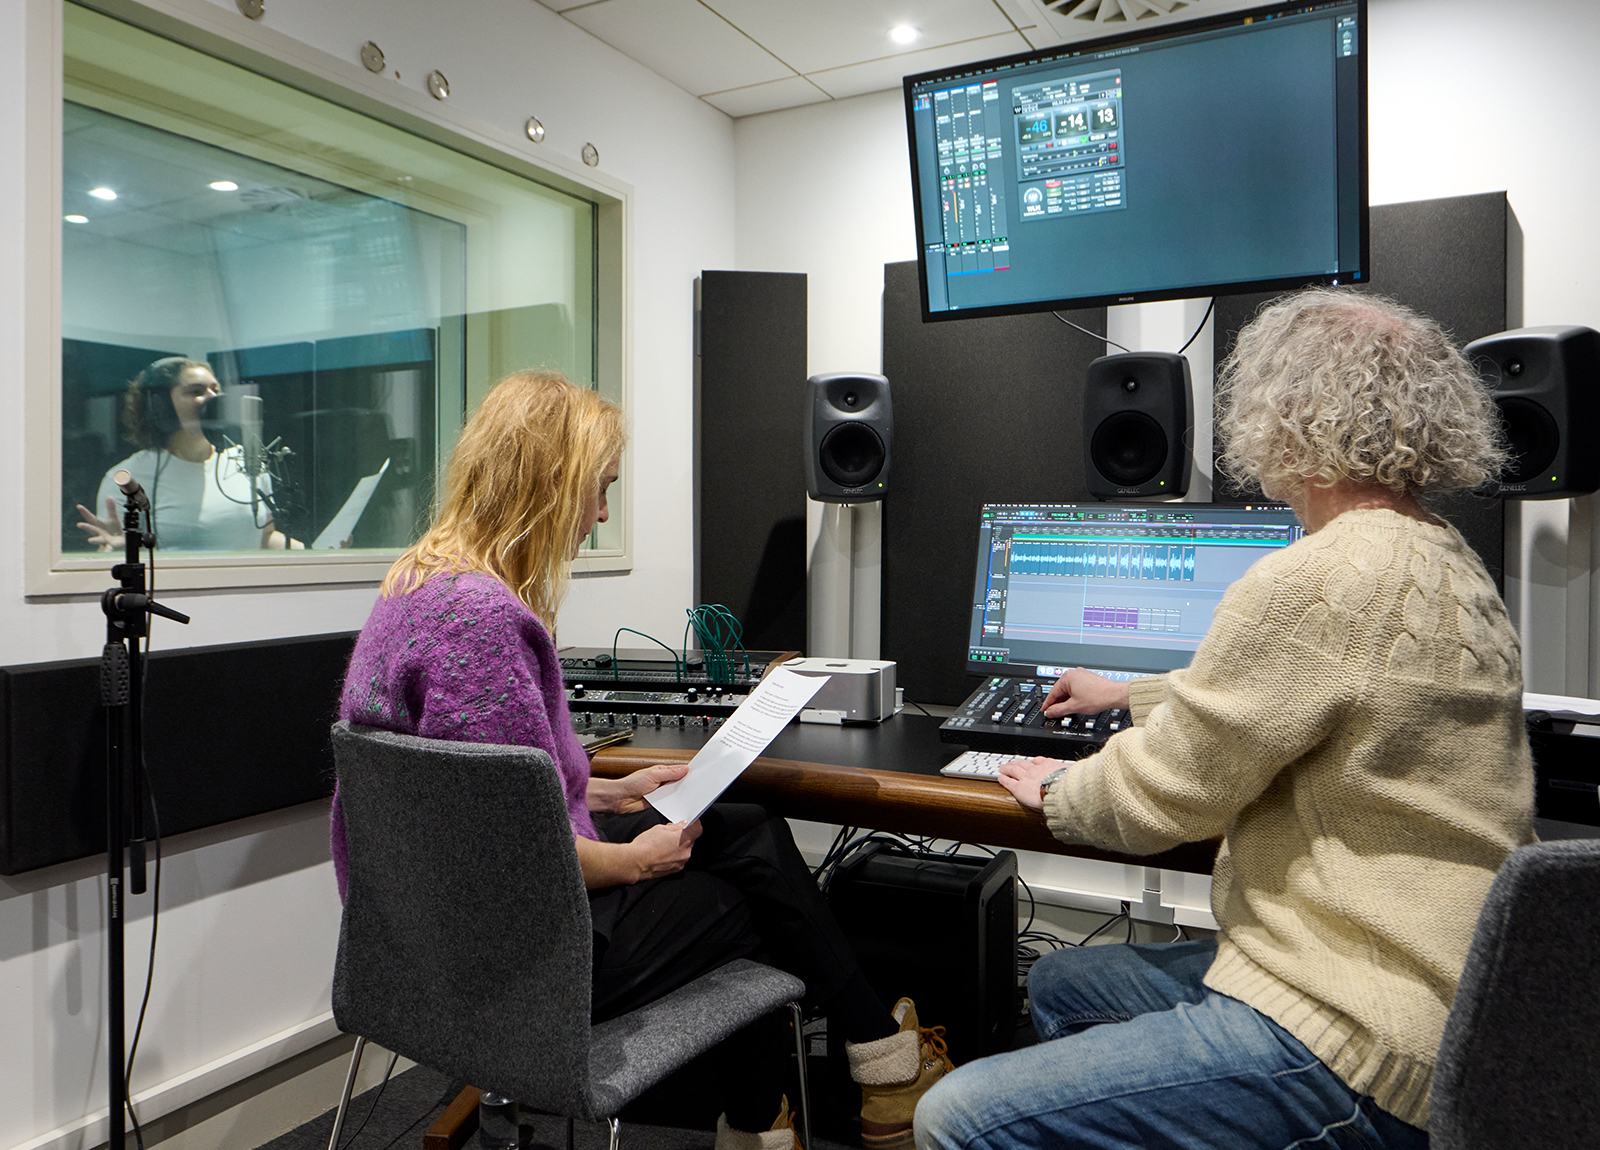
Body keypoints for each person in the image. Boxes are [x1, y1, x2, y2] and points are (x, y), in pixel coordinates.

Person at [914, 289, 1535, 1150]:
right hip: (1458, 1005)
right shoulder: (1445, 563)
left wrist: (1060, 789)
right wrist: (1130, 695)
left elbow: (1164, 797)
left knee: (956, 1116)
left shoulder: (1313, 578)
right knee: (1063, 984)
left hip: (1354, 1028)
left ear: (1283, 418)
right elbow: (1320, 692)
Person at [333, 369, 951, 1150]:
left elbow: (480, 803)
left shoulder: (414, 586)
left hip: (422, 937)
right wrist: (635, 864)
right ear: (550, 484)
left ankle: (861, 1066)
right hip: (517, 963)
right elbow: (517, 852)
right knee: (747, 905)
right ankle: (823, 1100)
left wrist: (613, 793)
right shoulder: (483, 623)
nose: (597, 517)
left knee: (744, 823)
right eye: (598, 490)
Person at [76, 356, 298, 551]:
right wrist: (118, 551)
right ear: (160, 406)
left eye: (216, 390)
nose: (212, 397)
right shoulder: (129, 477)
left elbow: (265, 536)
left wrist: (322, 552)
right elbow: (112, 554)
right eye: (196, 391)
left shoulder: (247, 461)